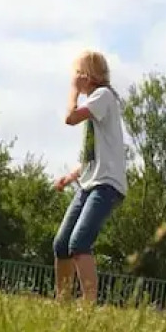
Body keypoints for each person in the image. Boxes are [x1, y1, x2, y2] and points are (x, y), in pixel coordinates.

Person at [52, 51, 127, 305]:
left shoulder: (102, 96)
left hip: (106, 185)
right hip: (89, 182)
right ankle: (62, 301)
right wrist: (71, 176)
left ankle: (88, 306)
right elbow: (93, 154)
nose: (74, 79)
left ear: (88, 76)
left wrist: (73, 92)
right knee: (62, 244)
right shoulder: (97, 102)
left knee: (79, 242)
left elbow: (69, 118)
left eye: (77, 74)